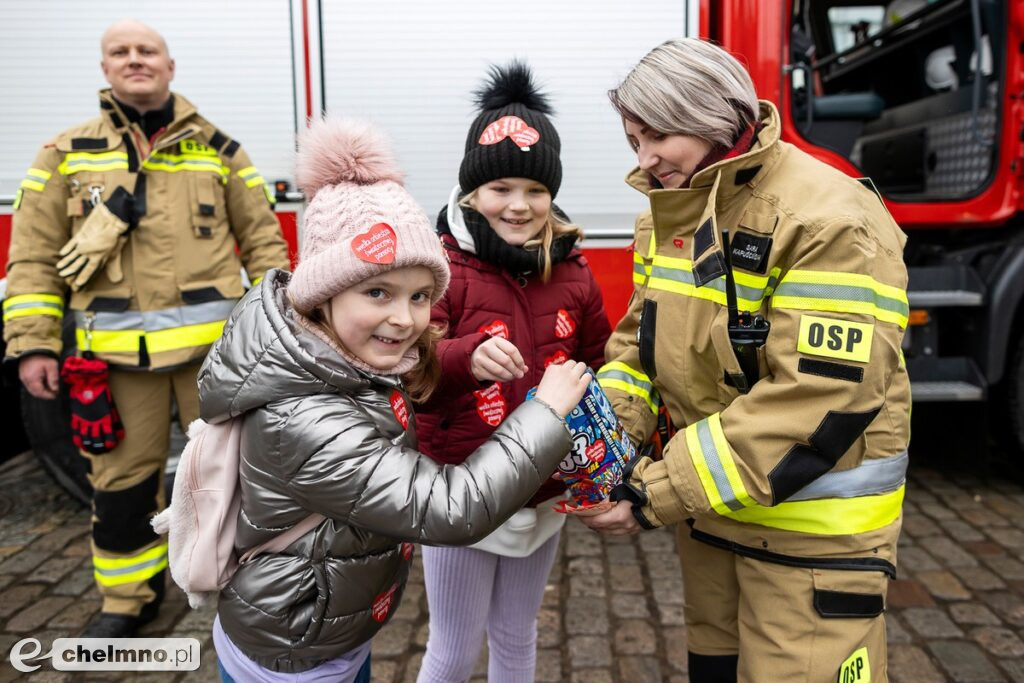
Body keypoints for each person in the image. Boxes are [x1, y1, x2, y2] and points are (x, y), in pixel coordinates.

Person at [199, 116, 592, 681]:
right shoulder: (307, 415)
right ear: (322, 293)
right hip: (295, 653)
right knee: (453, 649)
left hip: (332, 631)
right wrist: (543, 414)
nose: (406, 320)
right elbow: (448, 508)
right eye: (377, 291)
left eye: (419, 298)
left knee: (514, 635)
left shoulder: (346, 366)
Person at [583, 38, 911, 682]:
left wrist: (652, 491)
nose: (645, 161)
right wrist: (610, 441)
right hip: (716, 518)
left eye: (657, 137)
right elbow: (637, 348)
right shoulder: (671, 213)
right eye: (632, 141)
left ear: (710, 116)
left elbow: (819, 398)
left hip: (813, 544)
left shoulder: (829, 218)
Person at [3, 19, 289, 637]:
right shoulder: (63, 154)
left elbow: (265, 243)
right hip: (114, 364)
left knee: (234, 478)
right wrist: (32, 347)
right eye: (120, 52)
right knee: (121, 486)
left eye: (147, 51)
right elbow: (29, 256)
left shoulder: (219, 150)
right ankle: (129, 600)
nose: (135, 60)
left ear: (169, 65)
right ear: (105, 68)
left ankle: (244, 589)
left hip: (215, 363)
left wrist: (281, 331)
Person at [414, 62, 611, 682]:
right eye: (500, 189)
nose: (519, 206)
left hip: (543, 491)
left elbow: (600, 363)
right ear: (471, 192)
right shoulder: (437, 267)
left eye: (535, 190)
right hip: (459, 492)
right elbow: (405, 371)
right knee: (452, 648)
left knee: (517, 636)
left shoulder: (574, 271)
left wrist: (607, 459)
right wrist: (463, 357)